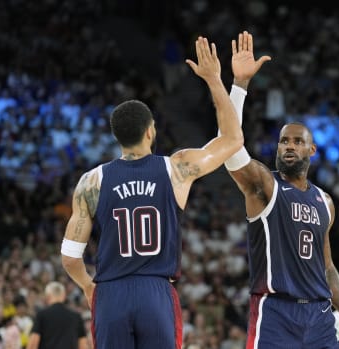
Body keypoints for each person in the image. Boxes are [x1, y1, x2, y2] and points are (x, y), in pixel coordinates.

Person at [60, 36, 244, 349]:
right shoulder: (176, 168)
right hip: (155, 292)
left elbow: (69, 257)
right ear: (150, 131)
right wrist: (215, 80)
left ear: (118, 137)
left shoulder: (92, 181)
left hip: (110, 293)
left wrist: (89, 287)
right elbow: (232, 139)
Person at [223, 31, 339, 349]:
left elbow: (327, 268)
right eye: (283, 141)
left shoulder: (325, 202)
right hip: (276, 312)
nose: (289, 146)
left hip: (319, 315)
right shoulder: (264, 185)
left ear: (312, 150)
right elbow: (231, 149)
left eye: (297, 141)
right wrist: (240, 86)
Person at [26, 282, 87, 349]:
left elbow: (33, 344)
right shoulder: (76, 317)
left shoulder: (42, 315)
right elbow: (83, 345)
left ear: (47, 297)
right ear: (64, 296)